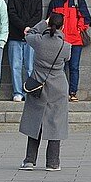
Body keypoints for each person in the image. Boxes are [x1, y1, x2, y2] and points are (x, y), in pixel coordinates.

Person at [19, 13, 71, 171]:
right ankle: (53, 162)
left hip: (38, 85)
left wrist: (43, 23)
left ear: (49, 25)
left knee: (35, 121)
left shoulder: (39, 41)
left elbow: (29, 33)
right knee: (56, 123)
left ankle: (29, 160)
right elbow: (66, 60)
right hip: (58, 87)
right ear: (62, 26)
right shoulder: (65, 46)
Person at [46, 0, 91, 101]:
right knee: (59, 68)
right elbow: (49, 21)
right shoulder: (54, 3)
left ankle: (72, 92)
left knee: (74, 67)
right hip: (59, 41)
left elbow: (87, 19)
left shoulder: (78, 1)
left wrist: (79, 29)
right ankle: (60, 92)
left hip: (75, 41)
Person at [7, 0, 43, 101]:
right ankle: (17, 92)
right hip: (15, 37)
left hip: (31, 38)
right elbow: (12, 14)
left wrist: (28, 28)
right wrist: (24, 27)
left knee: (30, 67)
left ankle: (29, 92)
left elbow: (38, 16)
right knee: (15, 66)